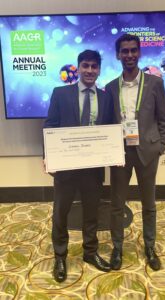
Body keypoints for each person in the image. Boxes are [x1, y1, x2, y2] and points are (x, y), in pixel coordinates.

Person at [44, 50, 112, 283]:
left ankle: (90, 252)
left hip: (93, 169)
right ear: (78, 67)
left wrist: (114, 152)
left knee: (92, 211)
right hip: (66, 167)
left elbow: (110, 131)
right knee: (61, 212)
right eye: (86, 66)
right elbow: (50, 126)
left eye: (94, 66)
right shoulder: (60, 93)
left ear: (99, 69)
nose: (90, 70)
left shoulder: (106, 98)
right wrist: (48, 157)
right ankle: (60, 256)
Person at [105, 34, 165, 271]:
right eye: (124, 51)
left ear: (139, 52)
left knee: (149, 203)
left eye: (133, 50)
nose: (129, 55)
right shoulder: (111, 87)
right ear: (118, 55)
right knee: (116, 204)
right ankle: (117, 248)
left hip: (147, 152)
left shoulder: (155, 83)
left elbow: (163, 117)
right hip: (120, 153)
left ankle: (150, 246)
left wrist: (161, 146)